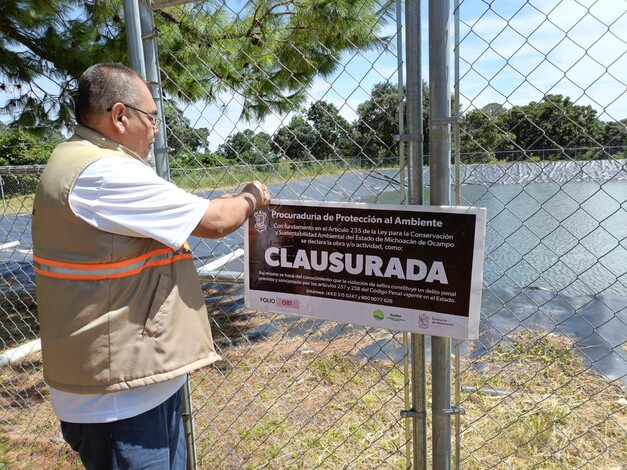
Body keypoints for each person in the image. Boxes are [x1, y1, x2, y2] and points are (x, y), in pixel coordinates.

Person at [31, 62, 271, 469]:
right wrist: (252, 197)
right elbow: (214, 221)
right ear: (120, 116)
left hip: (122, 380)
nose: (157, 129)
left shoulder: (74, 158)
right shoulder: (104, 172)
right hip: (120, 400)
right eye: (152, 118)